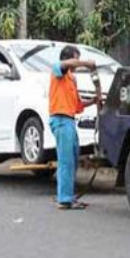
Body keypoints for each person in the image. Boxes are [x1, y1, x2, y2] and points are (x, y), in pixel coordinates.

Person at [49, 45, 98, 210]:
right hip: (61, 120)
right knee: (66, 161)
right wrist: (86, 63)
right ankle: (64, 199)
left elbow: (77, 105)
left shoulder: (71, 79)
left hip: (69, 120)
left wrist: (93, 101)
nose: (77, 64)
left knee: (72, 160)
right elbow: (64, 65)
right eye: (76, 59)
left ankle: (67, 196)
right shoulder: (58, 70)